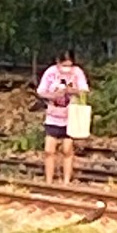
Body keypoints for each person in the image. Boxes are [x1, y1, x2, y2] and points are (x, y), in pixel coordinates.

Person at [36, 49, 89, 185]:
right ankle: (48, 181)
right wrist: (53, 95)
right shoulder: (51, 72)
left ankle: (66, 181)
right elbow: (41, 91)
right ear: (57, 63)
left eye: (69, 65)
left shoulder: (77, 73)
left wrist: (71, 91)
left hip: (70, 117)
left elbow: (84, 91)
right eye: (63, 65)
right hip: (53, 116)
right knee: (49, 150)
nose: (66, 69)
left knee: (67, 150)